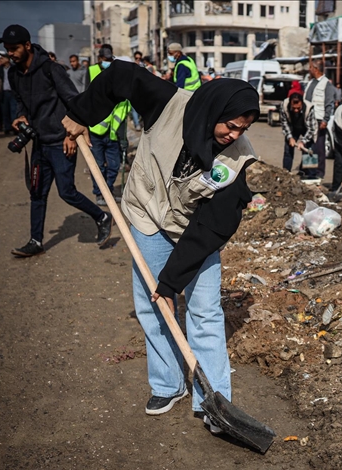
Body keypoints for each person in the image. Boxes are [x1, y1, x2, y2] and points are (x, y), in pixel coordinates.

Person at [61, 61, 260, 428]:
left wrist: (171, 284)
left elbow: (210, 229)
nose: (234, 135)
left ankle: (213, 400)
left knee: (205, 312)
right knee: (152, 307)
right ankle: (168, 383)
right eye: (231, 125)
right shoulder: (168, 103)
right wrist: (81, 115)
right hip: (147, 216)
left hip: (192, 231)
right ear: (215, 110)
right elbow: (121, 75)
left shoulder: (235, 163)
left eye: (243, 129)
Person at [0, 24, 111, 257]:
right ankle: (35, 241)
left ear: (27, 45)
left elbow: (73, 101)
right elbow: (20, 100)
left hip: (61, 141)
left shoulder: (51, 70)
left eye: (14, 48)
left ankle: (102, 216)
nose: (10, 53)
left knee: (67, 192)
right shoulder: (13, 73)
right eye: (8, 49)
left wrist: (71, 135)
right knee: (37, 193)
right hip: (39, 142)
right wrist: (20, 115)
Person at [86, 44, 130, 206]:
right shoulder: (91, 71)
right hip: (95, 129)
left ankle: (108, 190)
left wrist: (122, 135)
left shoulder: (116, 75)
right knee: (98, 166)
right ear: (99, 58)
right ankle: (99, 193)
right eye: (105, 59)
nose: (107, 62)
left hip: (112, 130)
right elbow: (86, 98)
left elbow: (123, 105)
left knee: (113, 165)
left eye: (110, 59)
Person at [304, 61, 339, 179]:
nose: (309, 69)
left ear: (316, 69)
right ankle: (309, 171)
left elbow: (329, 103)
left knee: (319, 147)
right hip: (309, 120)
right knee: (309, 146)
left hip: (319, 120)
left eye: (311, 67)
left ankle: (319, 172)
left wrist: (325, 120)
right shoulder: (311, 83)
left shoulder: (326, 84)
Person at [280, 81, 316, 174]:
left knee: (309, 150)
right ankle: (286, 173)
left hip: (306, 128)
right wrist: (290, 137)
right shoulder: (284, 105)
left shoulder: (309, 108)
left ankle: (309, 174)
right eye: (294, 108)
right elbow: (284, 123)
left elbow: (312, 128)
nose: (296, 110)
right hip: (292, 128)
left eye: (298, 108)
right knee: (288, 150)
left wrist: (303, 141)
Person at [0, 53, 16, 134]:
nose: (0, 60)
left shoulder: (14, 69)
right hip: (3, 93)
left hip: (12, 92)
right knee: (5, 111)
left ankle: (15, 128)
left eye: (2, 58)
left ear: (8, 59)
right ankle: (7, 128)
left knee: (13, 110)